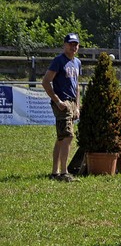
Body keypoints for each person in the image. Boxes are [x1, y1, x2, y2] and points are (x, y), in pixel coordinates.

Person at [42, 33, 82, 182]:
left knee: (61, 138)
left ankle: (55, 173)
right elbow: (46, 82)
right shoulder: (58, 61)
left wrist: (77, 106)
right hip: (62, 103)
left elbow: (76, 86)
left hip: (72, 102)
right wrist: (58, 101)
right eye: (71, 44)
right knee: (68, 135)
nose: (73, 47)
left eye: (76, 44)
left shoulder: (77, 62)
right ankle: (64, 173)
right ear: (64, 45)